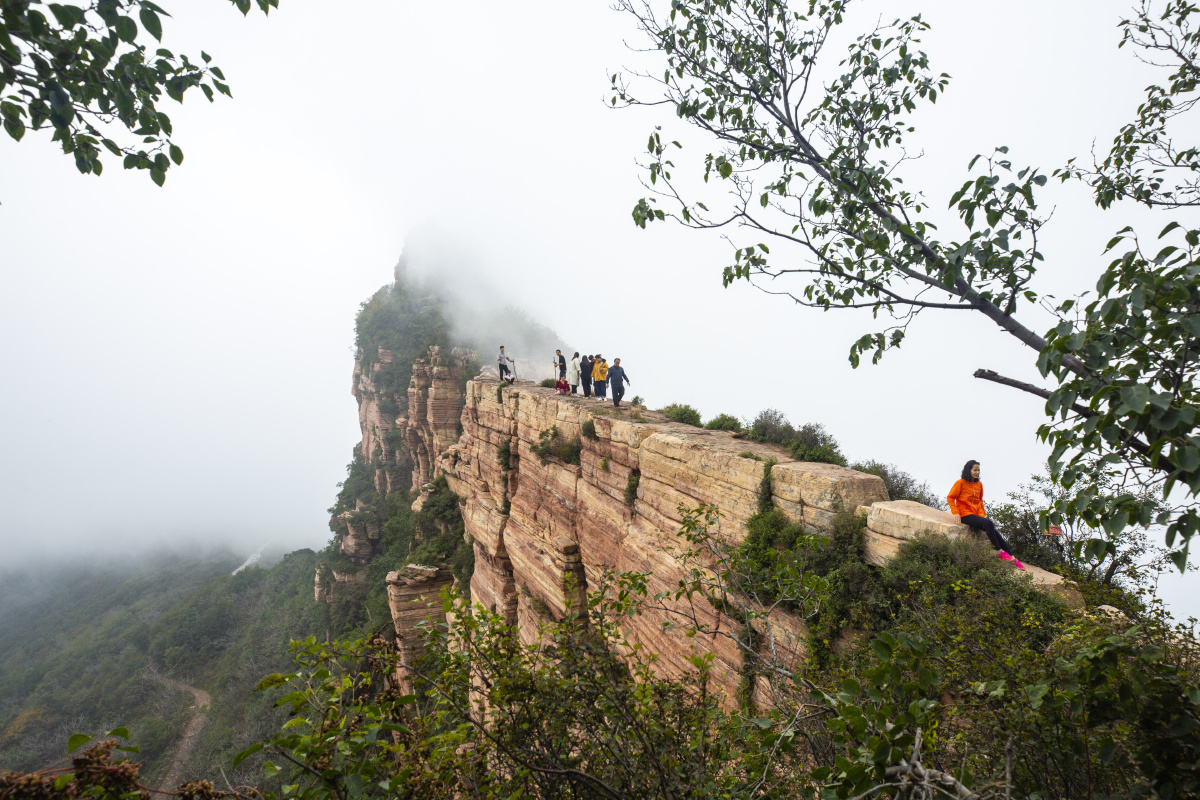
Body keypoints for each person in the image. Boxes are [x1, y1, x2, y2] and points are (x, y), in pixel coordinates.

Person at [947, 460, 1025, 569]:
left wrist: (982, 516)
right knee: (988, 523)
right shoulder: (960, 483)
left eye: (978, 470)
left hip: (976, 515)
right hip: (964, 514)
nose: (977, 472)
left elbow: (980, 501)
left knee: (993, 529)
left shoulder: (979, 484)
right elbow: (950, 497)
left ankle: (1012, 557)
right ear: (968, 470)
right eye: (975, 470)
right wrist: (955, 512)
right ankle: (999, 551)